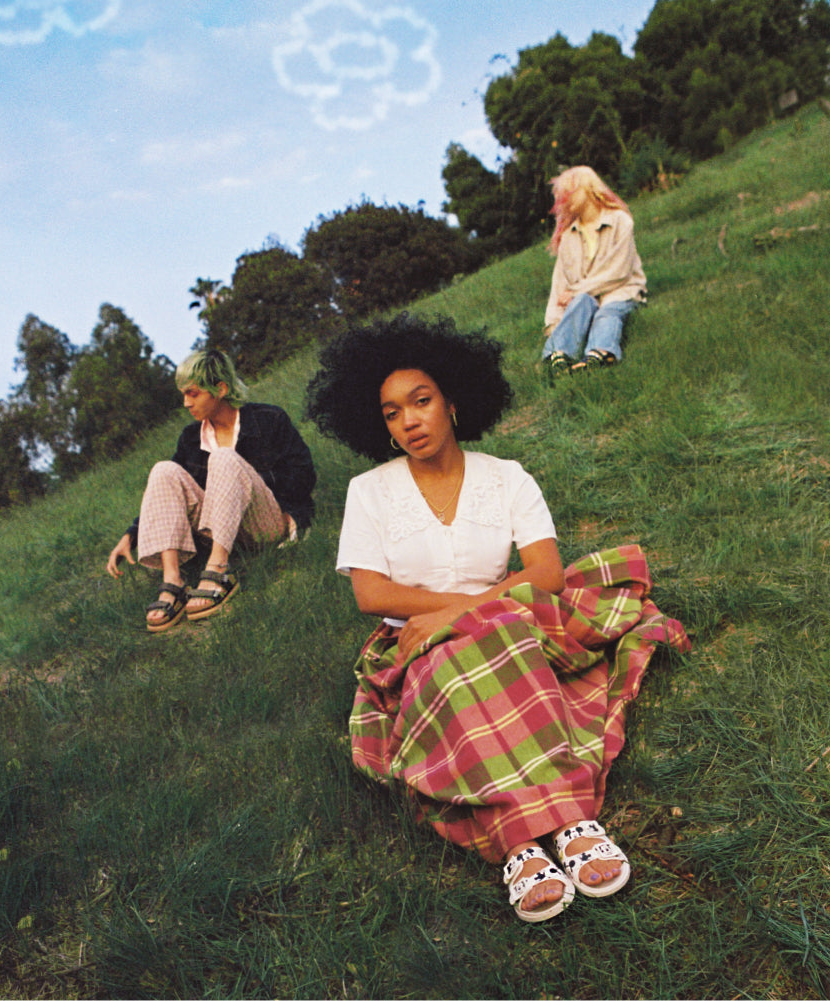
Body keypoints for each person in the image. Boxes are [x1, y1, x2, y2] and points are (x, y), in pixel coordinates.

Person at [305, 313, 689, 923]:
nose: (408, 420)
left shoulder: (506, 478)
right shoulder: (368, 491)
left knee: (494, 635)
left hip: (510, 617)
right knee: (454, 659)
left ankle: (547, 833)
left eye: (421, 401)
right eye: (391, 412)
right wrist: (452, 622)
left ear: (454, 402)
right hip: (420, 643)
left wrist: (460, 610)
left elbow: (546, 574)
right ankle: (540, 835)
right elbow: (372, 595)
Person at [106, 348, 316, 631]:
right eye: (183, 394)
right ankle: (173, 580)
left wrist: (245, 482)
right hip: (219, 531)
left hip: (267, 522)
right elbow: (171, 496)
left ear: (220, 388)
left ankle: (218, 570)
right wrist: (130, 536)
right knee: (164, 470)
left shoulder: (269, 420)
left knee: (224, 458)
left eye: (192, 393)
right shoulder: (191, 439)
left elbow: (304, 475)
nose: (185, 402)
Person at [541, 166, 646, 375]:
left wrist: (577, 290)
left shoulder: (620, 221)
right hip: (586, 297)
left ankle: (600, 354)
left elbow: (619, 271)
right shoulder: (568, 237)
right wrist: (553, 322)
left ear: (589, 188)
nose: (564, 199)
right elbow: (559, 282)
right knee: (580, 303)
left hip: (619, 289)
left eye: (570, 192)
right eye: (561, 195)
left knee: (609, 310)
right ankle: (557, 356)